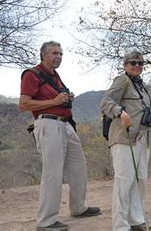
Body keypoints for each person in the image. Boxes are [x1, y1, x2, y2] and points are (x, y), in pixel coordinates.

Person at [19, 41, 101, 230]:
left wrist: (65, 98)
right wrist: (54, 100)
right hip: (48, 124)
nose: (59, 57)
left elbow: (55, 99)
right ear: (43, 55)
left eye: (61, 54)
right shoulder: (32, 74)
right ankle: (46, 221)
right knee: (52, 173)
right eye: (55, 53)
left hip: (66, 125)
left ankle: (78, 207)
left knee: (79, 167)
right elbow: (23, 105)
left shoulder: (55, 76)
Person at [100, 51, 151, 231]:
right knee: (124, 181)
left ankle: (135, 220)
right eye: (133, 63)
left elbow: (143, 107)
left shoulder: (141, 85)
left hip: (142, 138)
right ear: (125, 65)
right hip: (123, 138)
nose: (137, 66)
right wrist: (120, 113)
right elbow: (105, 103)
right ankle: (120, 225)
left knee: (139, 180)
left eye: (140, 63)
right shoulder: (122, 80)